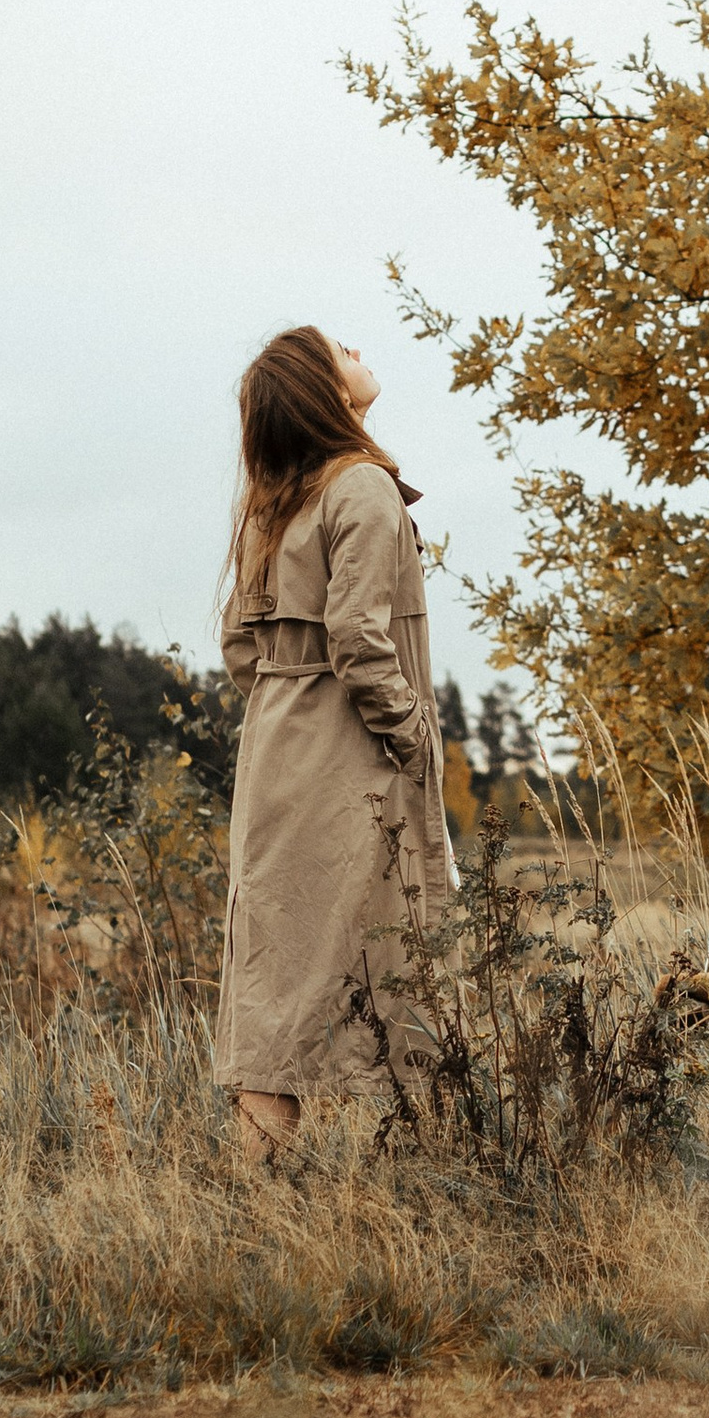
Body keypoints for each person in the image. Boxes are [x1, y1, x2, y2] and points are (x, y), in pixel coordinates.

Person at [213, 325, 453, 1153]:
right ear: (323, 389)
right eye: (338, 347)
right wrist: (413, 735)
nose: (358, 344)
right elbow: (359, 639)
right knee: (403, 963)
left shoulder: (274, 502)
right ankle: (438, 1189)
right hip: (354, 762)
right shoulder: (363, 490)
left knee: (278, 977)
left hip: (276, 755)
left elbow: (240, 649)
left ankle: (256, 1206)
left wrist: (291, 708)